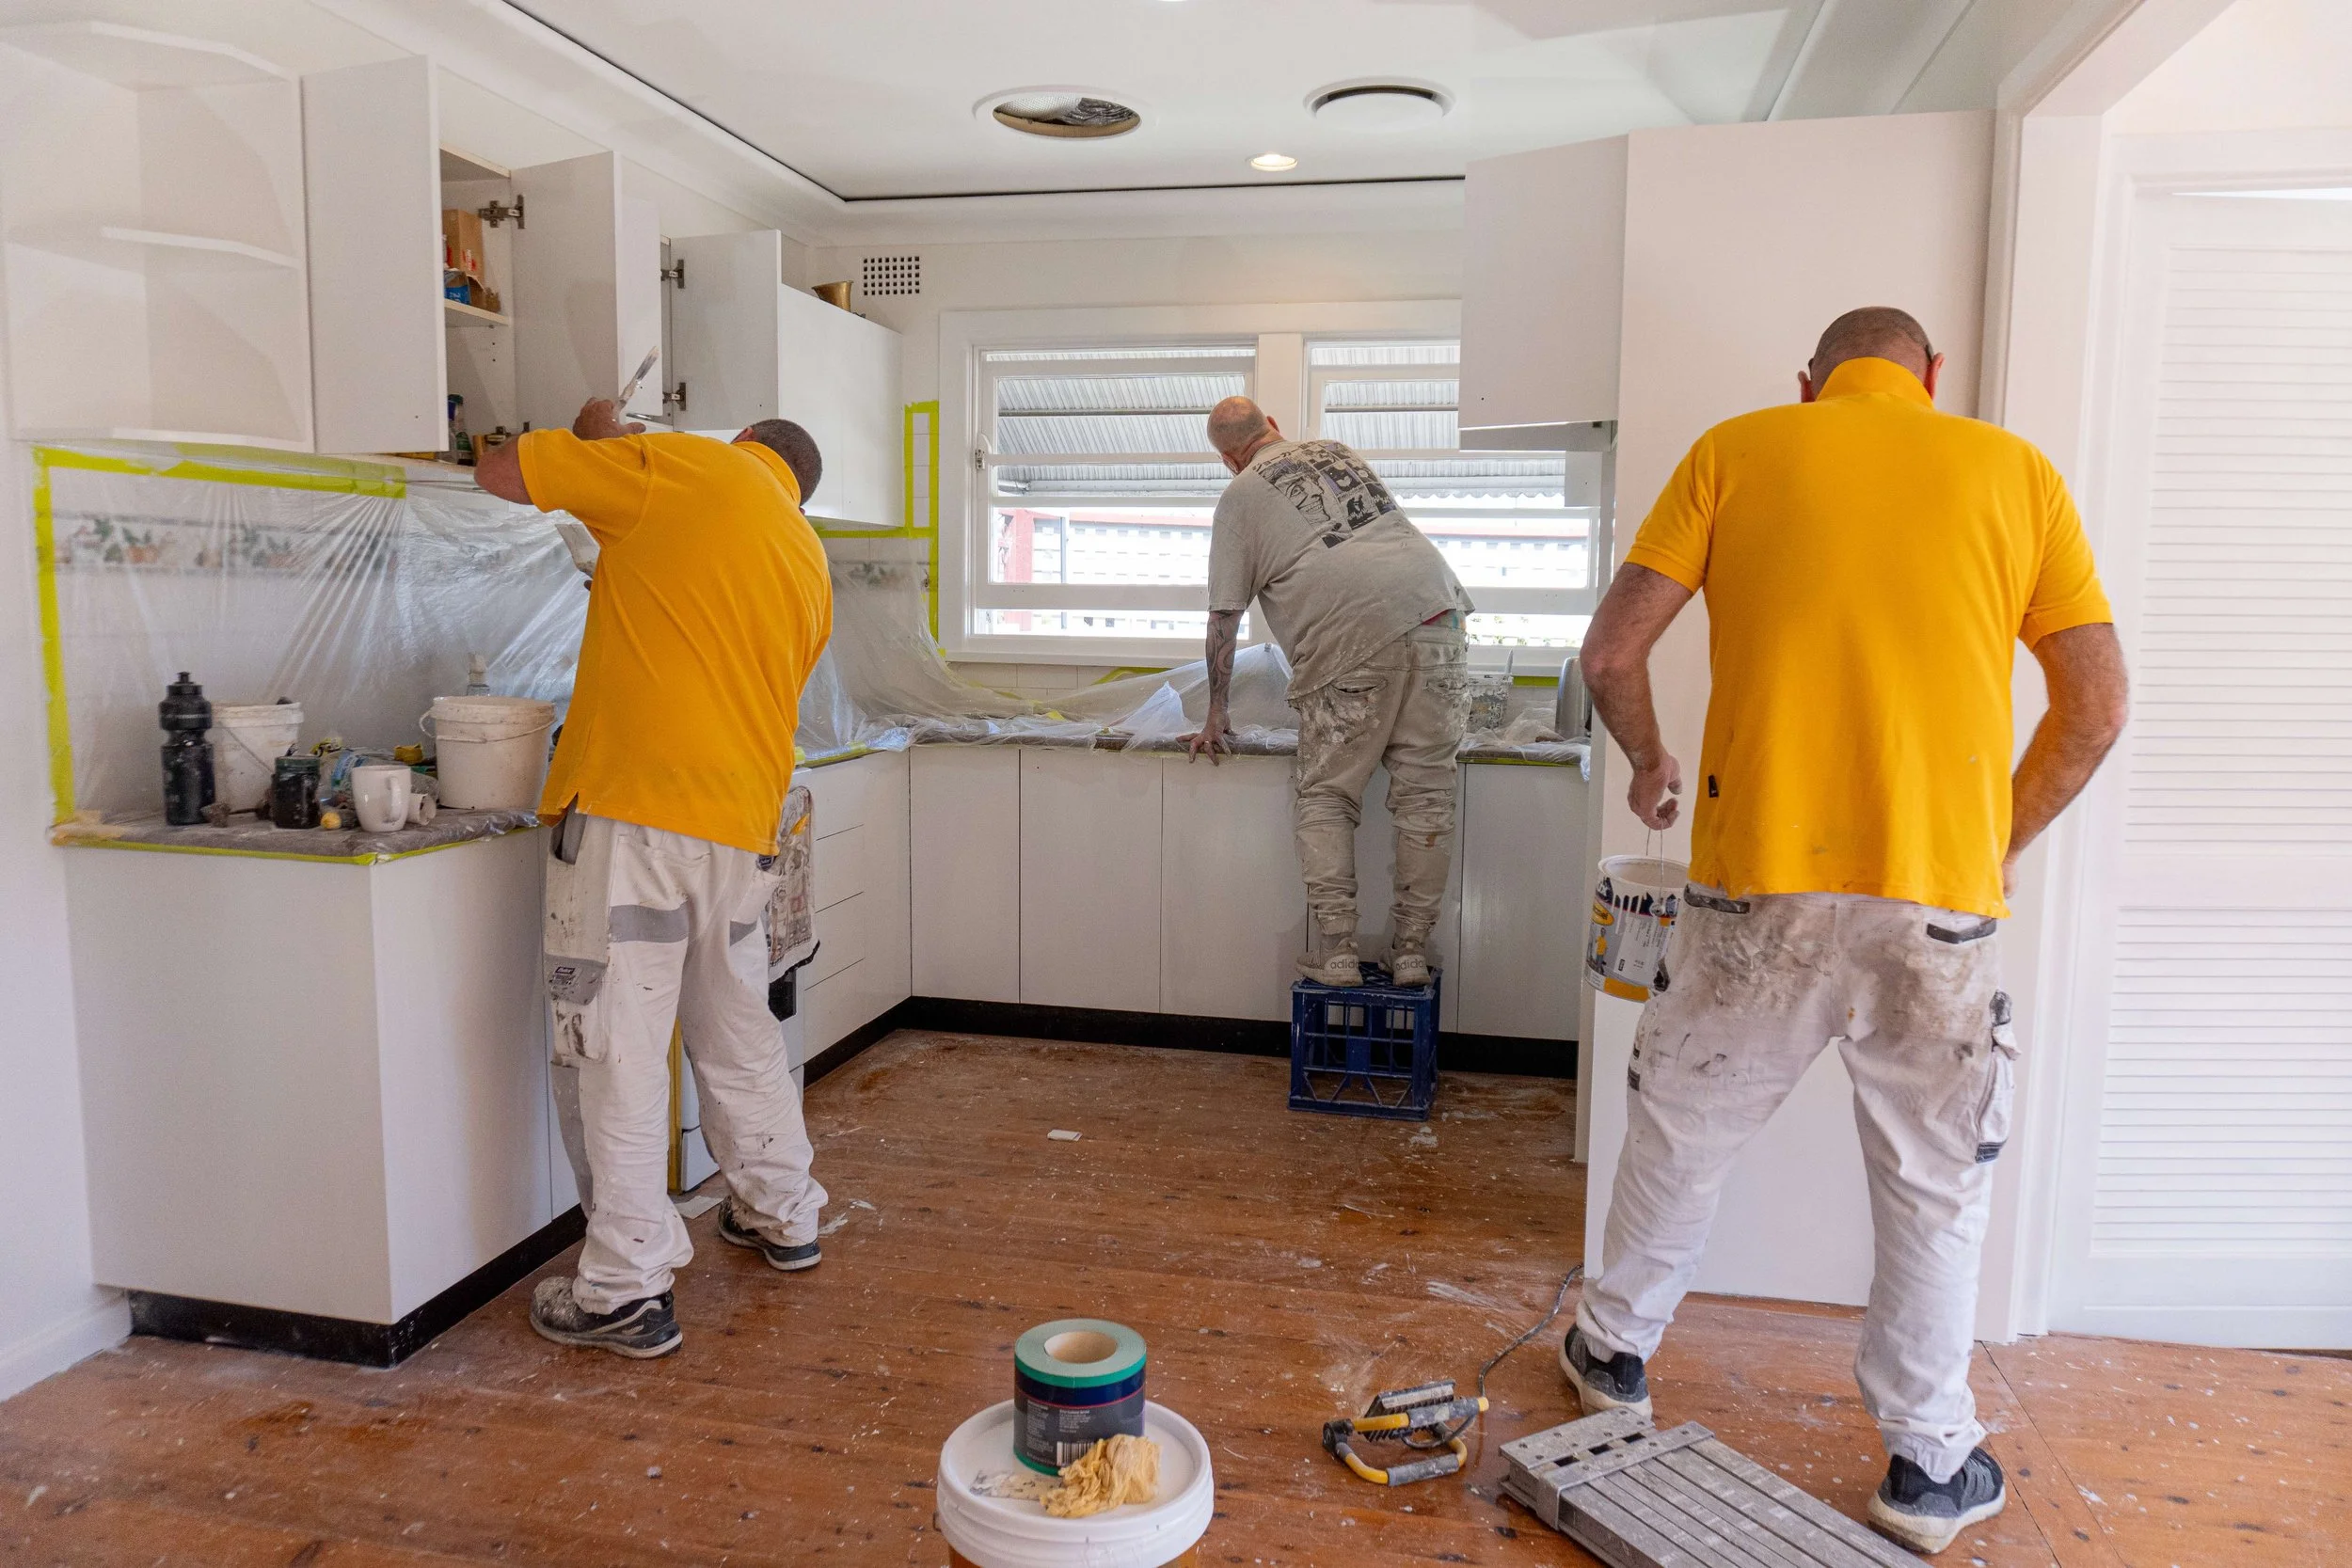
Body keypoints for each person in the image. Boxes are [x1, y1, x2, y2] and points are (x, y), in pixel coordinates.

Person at [1564, 309, 2129, 1555]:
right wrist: (1993, 840)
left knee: (1682, 1127)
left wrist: (1654, 759)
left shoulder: (1740, 448)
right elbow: (2095, 704)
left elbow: (1609, 652)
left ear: (1809, 383)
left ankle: (1610, 1348)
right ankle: (1929, 1463)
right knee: (1935, 1188)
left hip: (1754, 890)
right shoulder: (2015, 471)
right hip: (1936, 905)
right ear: (1931, 380)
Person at [474, 398, 834, 1358]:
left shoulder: (679, 469)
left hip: (636, 817)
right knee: (735, 1025)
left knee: (616, 1045)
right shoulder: (805, 556)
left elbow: (499, 474)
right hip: (740, 829)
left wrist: (599, 435)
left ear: (745, 441)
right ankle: (780, 1209)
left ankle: (624, 1286)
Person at [1184, 396, 1474, 988]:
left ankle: (1339, 952)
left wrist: (1217, 712)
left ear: (1227, 461)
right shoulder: (1336, 451)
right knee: (1426, 796)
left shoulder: (1239, 497)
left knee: (1327, 795)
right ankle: (1412, 951)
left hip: (1351, 639)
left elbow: (1224, 617)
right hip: (1439, 616)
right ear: (1275, 426)